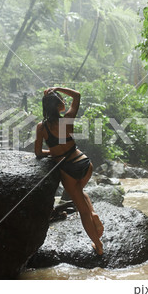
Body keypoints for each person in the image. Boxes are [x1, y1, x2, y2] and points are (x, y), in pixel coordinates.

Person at [34, 87, 104, 255]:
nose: (64, 102)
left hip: (68, 169)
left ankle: (98, 246)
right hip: (84, 163)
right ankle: (94, 214)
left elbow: (37, 153)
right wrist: (58, 89)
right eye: (61, 101)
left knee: (82, 212)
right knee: (80, 191)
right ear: (58, 106)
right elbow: (77, 95)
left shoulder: (41, 127)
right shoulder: (67, 119)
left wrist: (53, 151)